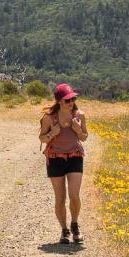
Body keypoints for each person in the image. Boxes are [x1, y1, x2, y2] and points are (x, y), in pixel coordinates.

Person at [38, 82, 88, 244]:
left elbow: (84, 137)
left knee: (74, 195)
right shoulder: (49, 118)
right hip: (55, 158)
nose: (71, 103)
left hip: (75, 155)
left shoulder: (79, 115)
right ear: (59, 101)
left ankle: (75, 225)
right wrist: (53, 133)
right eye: (67, 100)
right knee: (60, 197)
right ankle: (64, 231)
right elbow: (42, 138)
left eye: (72, 99)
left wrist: (78, 130)